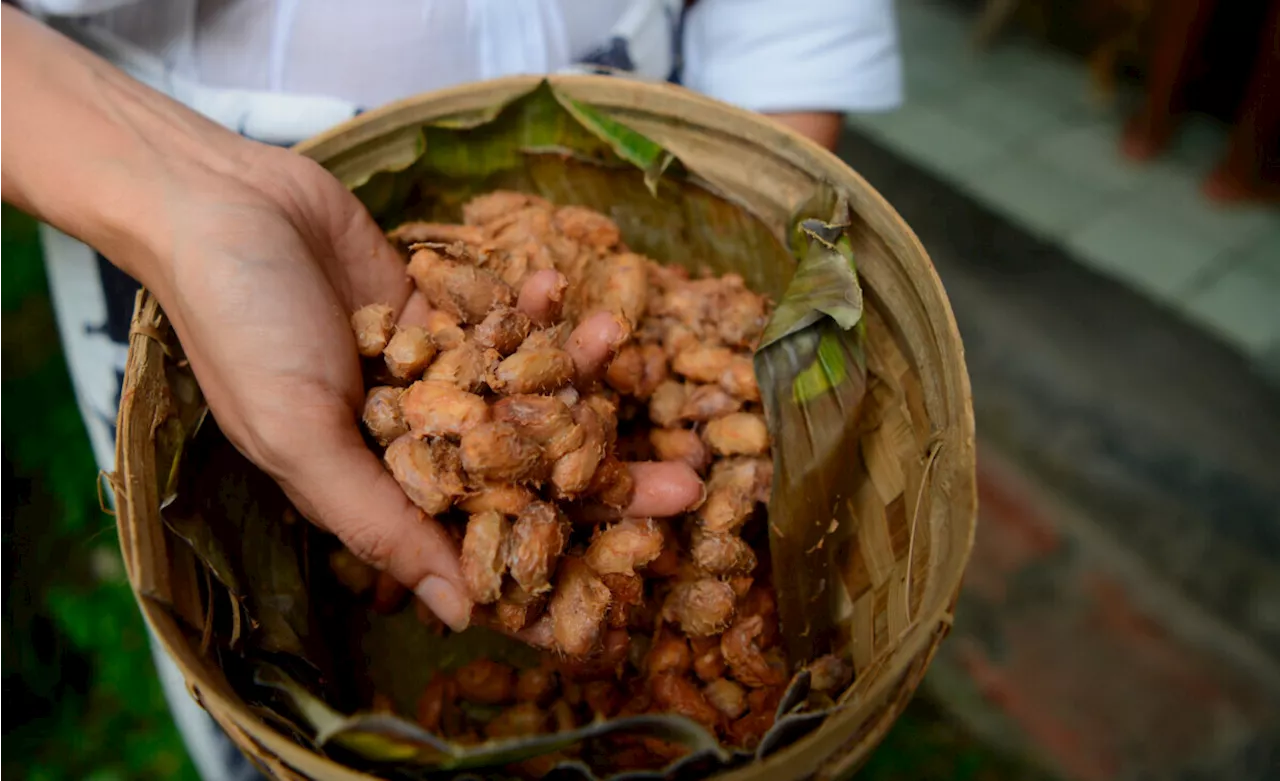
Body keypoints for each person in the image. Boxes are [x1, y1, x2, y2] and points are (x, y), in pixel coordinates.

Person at [0, 3, 902, 779]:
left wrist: (757, 182)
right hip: (134, 168)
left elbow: (795, 22)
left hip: (629, 108)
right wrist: (182, 197)